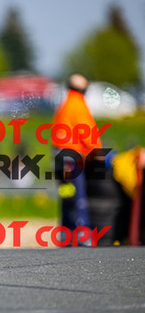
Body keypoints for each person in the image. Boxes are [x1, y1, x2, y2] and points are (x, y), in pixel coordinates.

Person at [52, 74, 102, 245]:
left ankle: (66, 234)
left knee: (67, 194)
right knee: (79, 196)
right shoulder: (78, 105)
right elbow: (87, 133)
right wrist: (97, 151)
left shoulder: (64, 104)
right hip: (71, 157)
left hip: (59, 156)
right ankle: (82, 235)